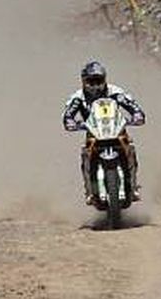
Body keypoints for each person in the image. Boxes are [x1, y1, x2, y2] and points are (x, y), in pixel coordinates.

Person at [62, 61, 145, 204]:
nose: (95, 85)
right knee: (85, 155)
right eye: (91, 81)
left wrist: (137, 115)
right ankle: (89, 191)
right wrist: (70, 122)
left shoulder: (115, 92)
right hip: (94, 133)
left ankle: (133, 186)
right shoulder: (78, 97)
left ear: (104, 80)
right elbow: (68, 113)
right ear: (84, 81)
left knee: (130, 149)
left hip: (117, 130)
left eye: (98, 81)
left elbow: (132, 105)